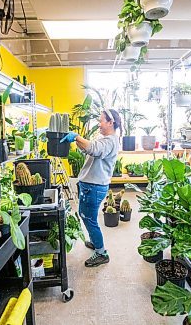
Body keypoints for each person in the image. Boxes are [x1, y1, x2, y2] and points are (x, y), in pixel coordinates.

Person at [60, 109, 121, 267]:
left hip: (94, 187)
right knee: (86, 215)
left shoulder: (110, 141)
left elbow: (94, 148)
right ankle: (95, 242)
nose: (98, 124)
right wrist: (76, 140)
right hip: (91, 185)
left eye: (101, 120)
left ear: (110, 122)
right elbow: (90, 148)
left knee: (90, 219)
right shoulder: (105, 139)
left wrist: (77, 137)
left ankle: (101, 253)